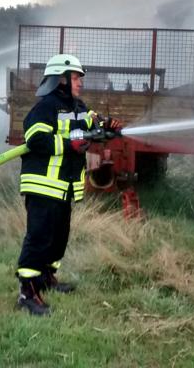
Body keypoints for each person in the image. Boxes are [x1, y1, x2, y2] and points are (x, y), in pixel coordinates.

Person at [15, 54, 121, 316]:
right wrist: (68, 145)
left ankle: (46, 278)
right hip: (43, 184)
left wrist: (107, 127)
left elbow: (92, 124)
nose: (80, 83)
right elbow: (35, 138)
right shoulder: (45, 107)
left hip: (64, 186)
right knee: (39, 238)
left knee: (59, 237)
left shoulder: (79, 107)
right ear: (60, 79)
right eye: (75, 78)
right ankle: (27, 293)